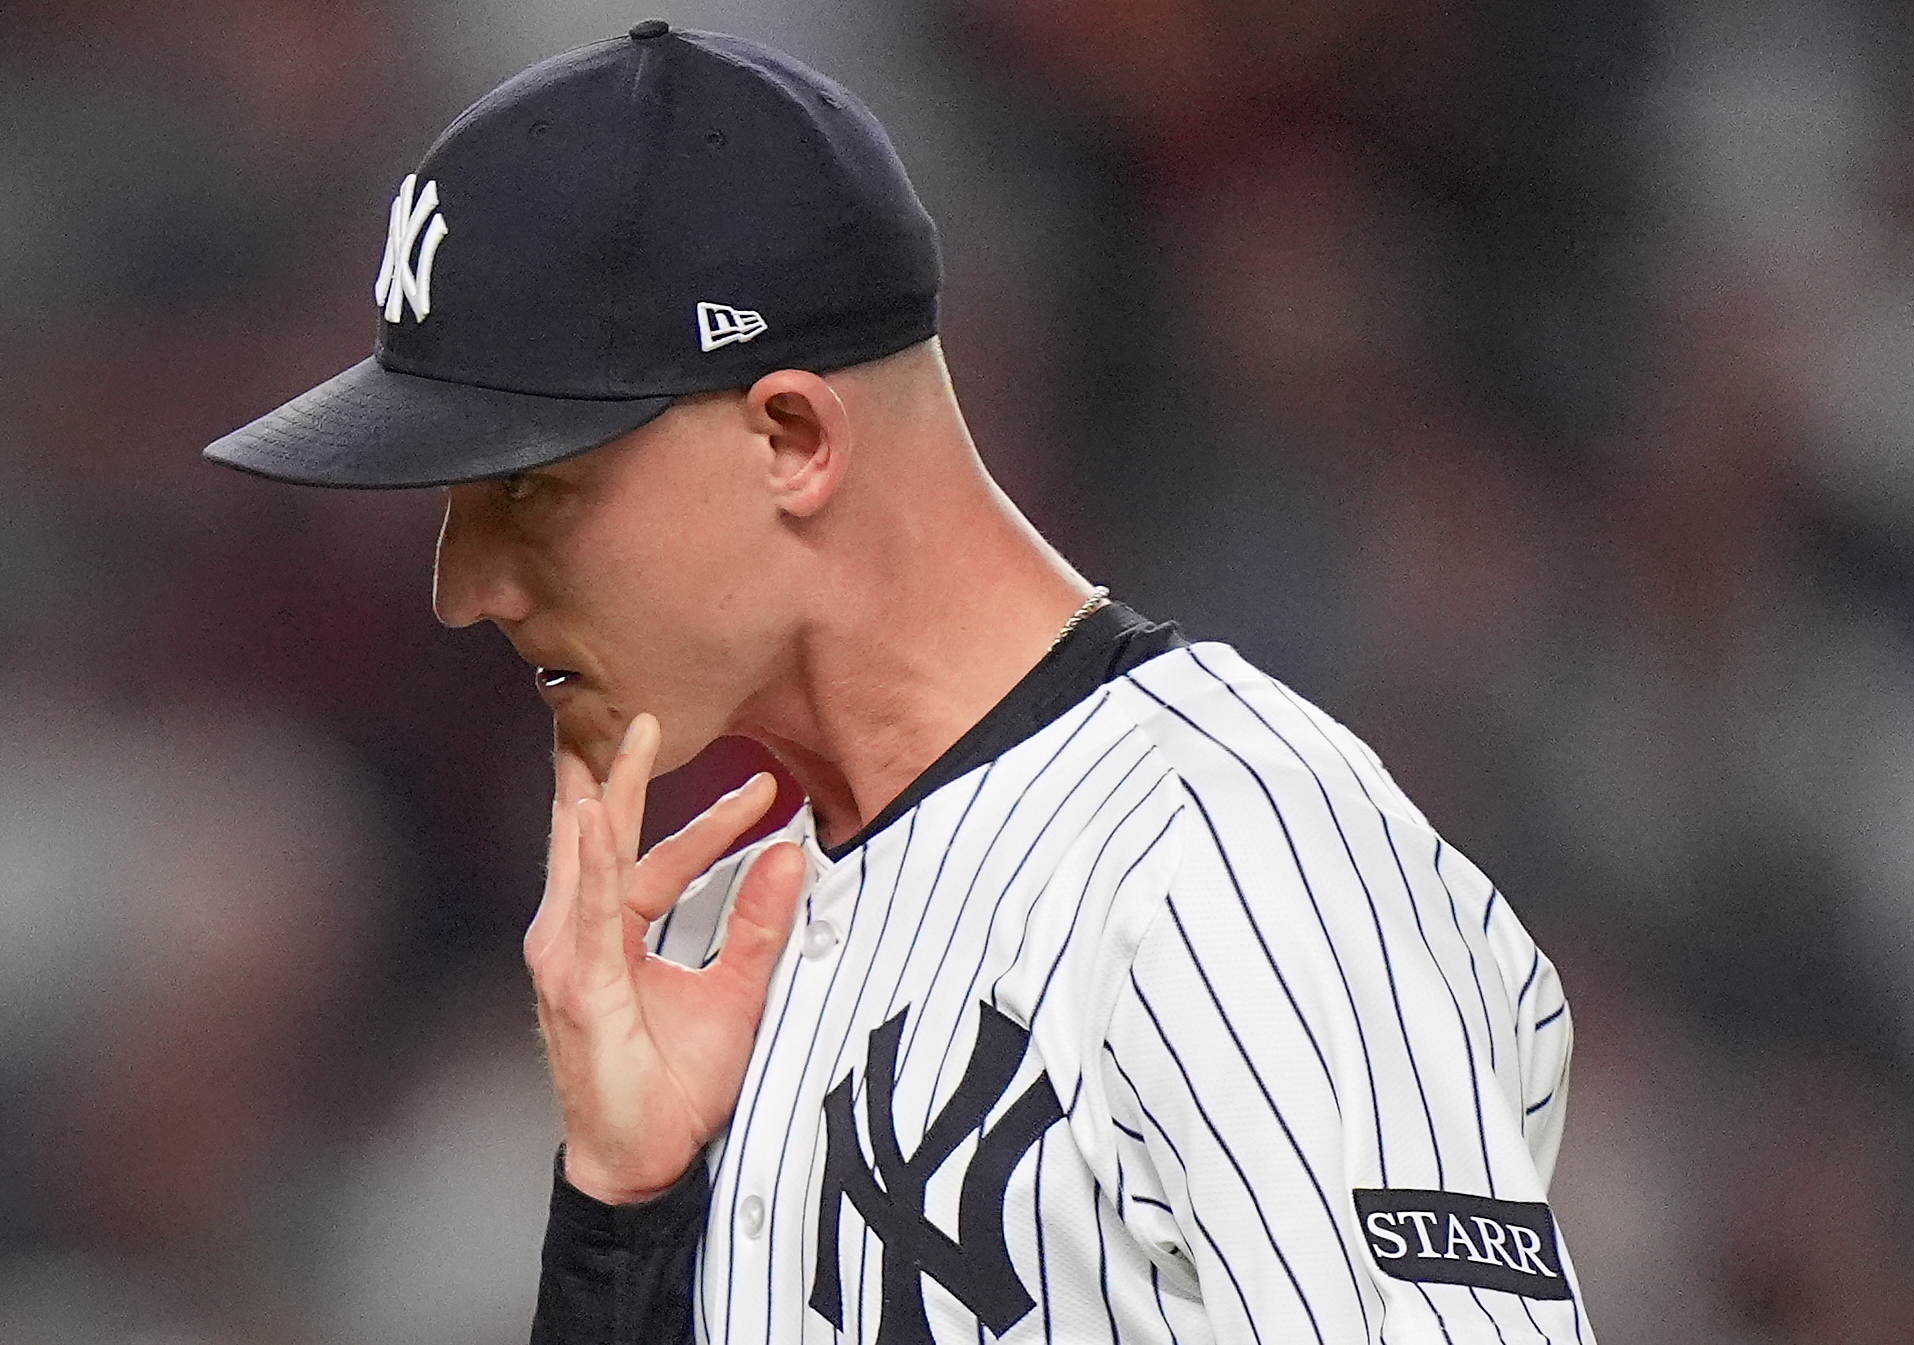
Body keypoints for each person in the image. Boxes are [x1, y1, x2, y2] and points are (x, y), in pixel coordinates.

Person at [205, 22, 1593, 1344]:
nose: (466, 586)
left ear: (794, 436)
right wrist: (622, 1223)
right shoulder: (714, 941)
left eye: (533, 489)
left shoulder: (1230, 858)